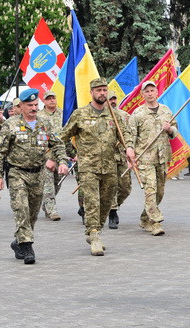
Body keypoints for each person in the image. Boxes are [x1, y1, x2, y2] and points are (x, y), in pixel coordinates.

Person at [0, 88, 68, 264]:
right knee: (22, 208)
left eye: (36, 105)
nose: (34, 108)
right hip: (17, 173)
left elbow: (57, 145)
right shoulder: (10, 125)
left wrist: (62, 161)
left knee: (32, 213)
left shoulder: (44, 124)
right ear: (21, 106)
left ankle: (19, 240)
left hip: (38, 174)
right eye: (30, 105)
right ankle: (27, 247)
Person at [60, 78, 126, 254]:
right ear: (91, 93)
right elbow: (62, 136)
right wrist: (69, 155)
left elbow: (125, 136)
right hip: (88, 167)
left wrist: (131, 148)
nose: (102, 93)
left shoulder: (115, 115)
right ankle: (95, 236)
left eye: (104, 90)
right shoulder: (80, 114)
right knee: (92, 202)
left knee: (106, 203)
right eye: (99, 90)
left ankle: (96, 230)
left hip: (110, 167)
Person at [125, 80, 178, 235]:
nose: (149, 94)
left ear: (157, 92)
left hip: (162, 156)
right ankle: (155, 223)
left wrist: (170, 129)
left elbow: (175, 131)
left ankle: (144, 217)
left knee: (159, 192)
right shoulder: (138, 113)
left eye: (152, 91)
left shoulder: (166, 111)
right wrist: (130, 151)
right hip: (145, 158)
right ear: (142, 94)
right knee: (150, 189)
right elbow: (130, 135)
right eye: (146, 91)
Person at [107, 91, 132, 229]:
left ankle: (112, 206)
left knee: (125, 187)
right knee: (111, 186)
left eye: (114, 99)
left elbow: (131, 135)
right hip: (107, 158)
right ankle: (112, 212)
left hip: (122, 157)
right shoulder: (101, 117)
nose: (112, 101)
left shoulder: (124, 116)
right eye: (109, 99)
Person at [39, 90, 63, 221]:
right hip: (46, 155)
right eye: (48, 98)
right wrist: (48, 157)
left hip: (61, 154)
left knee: (57, 182)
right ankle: (52, 210)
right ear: (44, 101)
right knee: (48, 183)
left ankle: (46, 203)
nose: (52, 100)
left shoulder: (63, 113)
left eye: (53, 98)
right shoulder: (39, 116)